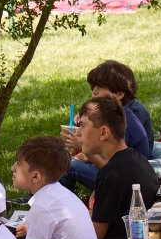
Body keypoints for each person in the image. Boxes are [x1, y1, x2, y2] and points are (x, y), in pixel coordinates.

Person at [12, 136, 103, 239]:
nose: (13, 167)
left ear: (36, 176)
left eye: (18, 164)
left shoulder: (41, 208)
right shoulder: (63, 194)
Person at [78, 96, 161, 239]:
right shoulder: (135, 157)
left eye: (82, 126)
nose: (78, 132)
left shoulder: (111, 174)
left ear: (103, 133)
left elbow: (94, 238)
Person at [64, 60, 153, 191]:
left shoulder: (125, 124)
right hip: (117, 174)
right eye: (93, 87)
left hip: (124, 184)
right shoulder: (115, 115)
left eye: (99, 87)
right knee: (63, 162)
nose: (94, 91)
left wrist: (84, 148)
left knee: (67, 166)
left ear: (119, 94)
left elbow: (112, 170)